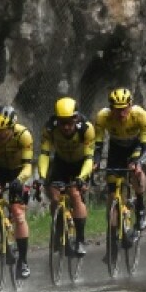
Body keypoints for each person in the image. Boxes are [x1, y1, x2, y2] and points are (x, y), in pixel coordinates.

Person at [36, 97, 96, 257]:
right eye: (62, 122)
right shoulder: (49, 129)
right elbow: (44, 154)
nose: (66, 127)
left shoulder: (86, 128)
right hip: (61, 162)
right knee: (54, 196)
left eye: (70, 122)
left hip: (81, 164)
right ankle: (58, 229)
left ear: (76, 118)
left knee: (75, 194)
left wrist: (82, 177)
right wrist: (42, 177)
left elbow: (90, 158)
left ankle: (80, 240)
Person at [94, 88, 146, 231]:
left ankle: (140, 207)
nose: (121, 113)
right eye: (117, 109)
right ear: (110, 108)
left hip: (136, 146)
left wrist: (139, 162)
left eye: (124, 109)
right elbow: (98, 144)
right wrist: (95, 162)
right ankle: (112, 236)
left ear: (130, 106)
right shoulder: (103, 117)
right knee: (112, 188)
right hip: (116, 148)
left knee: (136, 171)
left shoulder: (140, 115)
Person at [0, 106, 35, 279]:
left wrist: (20, 180)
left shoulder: (23, 135)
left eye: (4, 130)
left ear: (12, 127)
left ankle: (23, 261)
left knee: (17, 213)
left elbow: (28, 165)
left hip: (18, 171)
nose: (1, 134)